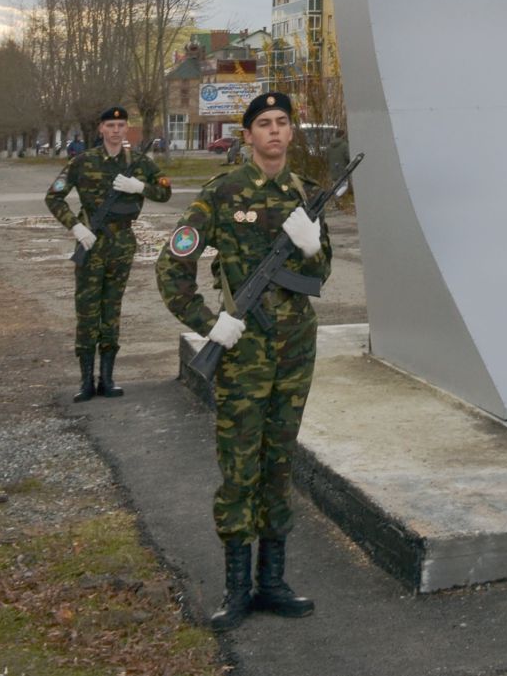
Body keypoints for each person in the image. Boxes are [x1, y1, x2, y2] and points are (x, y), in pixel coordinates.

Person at [156, 89, 332, 630]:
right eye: (265, 124)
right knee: (239, 469)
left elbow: (319, 276)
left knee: (280, 464)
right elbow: (171, 269)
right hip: (242, 354)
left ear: (291, 133)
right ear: (248, 136)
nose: (275, 131)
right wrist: (211, 323)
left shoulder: (304, 193)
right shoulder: (222, 192)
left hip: (295, 351)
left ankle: (273, 582)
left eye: (283, 122)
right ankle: (237, 589)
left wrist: (310, 247)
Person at [45, 106, 172, 402]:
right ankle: (86, 380)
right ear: (101, 129)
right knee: (88, 310)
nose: (115, 130)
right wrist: (76, 228)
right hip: (90, 243)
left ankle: (109, 377)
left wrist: (139, 185)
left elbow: (165, 191)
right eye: (110, 125)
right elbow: (54, 197)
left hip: (122, 243)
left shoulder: (138, 162)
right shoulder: (82, 161)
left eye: (120, 125)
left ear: (126, 128)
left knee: (112, 310)